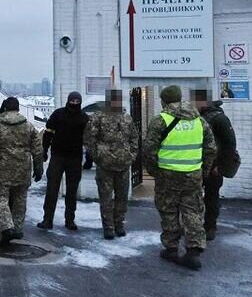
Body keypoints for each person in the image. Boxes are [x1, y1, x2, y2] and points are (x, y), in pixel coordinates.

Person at [143, 85, 217, 271]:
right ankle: (194, 251)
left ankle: (171, 248)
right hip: (193, 174)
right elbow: (210, 148)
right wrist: (203, 171)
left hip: (167, 175)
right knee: (192, 211)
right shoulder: (198, 120)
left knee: (168, 210)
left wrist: (155, 172)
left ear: (163, 101)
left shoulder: (161, 120)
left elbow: (149, 150)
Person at [0, 97, 43, 247]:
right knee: (20, 198)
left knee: (1, 198)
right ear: (18, 109)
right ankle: (18, 229)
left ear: (5, 108)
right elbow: (37, 149)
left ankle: (7, 227)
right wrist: (38, 168)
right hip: (23, 168)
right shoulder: (28, 126)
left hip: (2, 168)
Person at [83, 89, 138, 239]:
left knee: (122, 198)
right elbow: (89, 140)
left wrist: (131, 156)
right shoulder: (98, 118)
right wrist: (98, 157)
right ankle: (108, 227)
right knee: (106, 198)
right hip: (105, 165)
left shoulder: (126, 118)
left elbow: (134, 138)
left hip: (123, 164)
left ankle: (119, 224)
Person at [38, 91, 89, 231]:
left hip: (75, 159)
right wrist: (44, 150)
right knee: (52, 190)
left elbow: (89, 140)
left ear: (80, 102)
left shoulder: (84, 119)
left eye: (76, 101)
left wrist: (89, 157)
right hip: (57, 157)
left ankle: (70, 220)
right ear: (68, 101)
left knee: (72, 192)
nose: (74, 104)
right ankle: (47, 219)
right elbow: (48, 133)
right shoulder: (58, 114)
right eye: (72, 101)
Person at [194, 90, 237, 241]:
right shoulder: (200, 117)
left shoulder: (219, 119)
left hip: (214, 167)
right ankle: (196, 226)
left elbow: (230, 144)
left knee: (211, 198)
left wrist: (221, 167)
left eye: (197, 101)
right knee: (195, 197)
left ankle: (210, 227)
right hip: (199, 165)